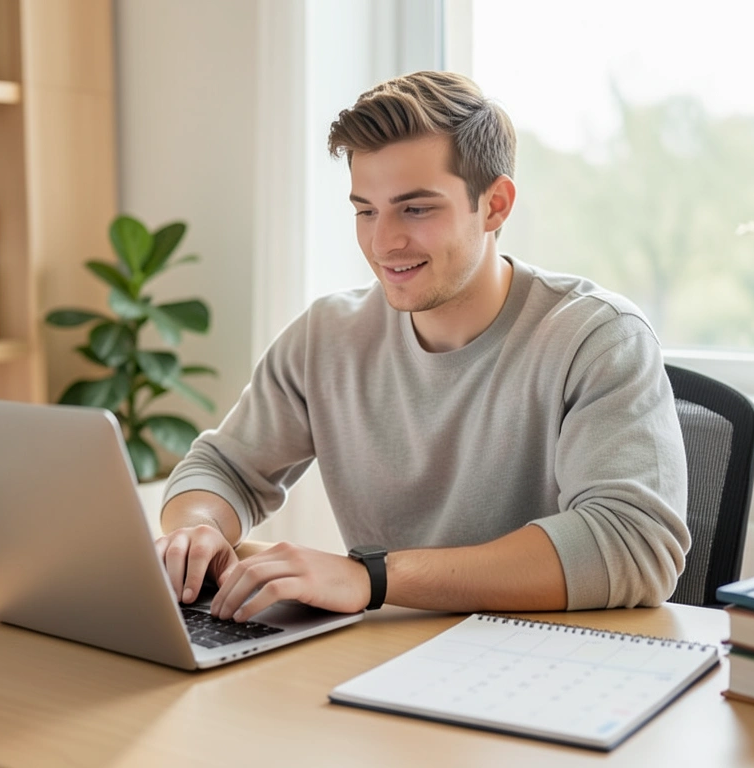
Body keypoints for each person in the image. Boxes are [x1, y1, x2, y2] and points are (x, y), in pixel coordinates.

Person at [154, 70, 690, 624]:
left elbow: (634, 543)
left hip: (551, 665)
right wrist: (198, 527)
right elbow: (222, 467)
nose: (383, 242)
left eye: (416, 208)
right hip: (388, 654)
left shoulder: (597, 338)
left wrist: (372, 578)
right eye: (366, 210)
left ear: (496, 205)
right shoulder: (327, 336)